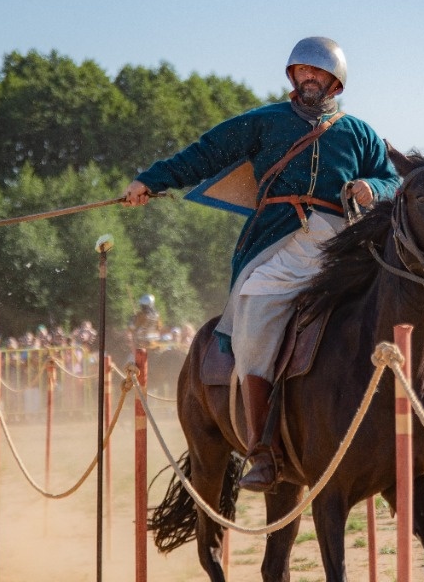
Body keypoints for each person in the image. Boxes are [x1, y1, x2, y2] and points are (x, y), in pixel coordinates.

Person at [122, 36, 399, 492]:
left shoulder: (360, 134)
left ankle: (413, 420)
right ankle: (263, 450)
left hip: (342, 246)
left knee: (396, 302)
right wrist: (150, 181)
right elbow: (204, 153)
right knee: (253, 309)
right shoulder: (264, 122)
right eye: (300, 71)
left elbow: (393, 180)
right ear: (292, 76)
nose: (307, 78)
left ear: (335, 81)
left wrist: (372, 186)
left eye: (317, 72)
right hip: (276, 243)